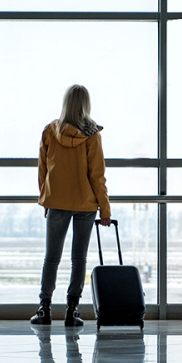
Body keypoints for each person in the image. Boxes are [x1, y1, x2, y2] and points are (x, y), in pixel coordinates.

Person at [32, 84, 111, 327]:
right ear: (86, 105)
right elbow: (97, 176)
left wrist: (46, 197)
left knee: (51, 258)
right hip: (85, 205)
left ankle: (44, 309)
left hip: (56, 202)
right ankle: (71, 310)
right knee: (79, 259)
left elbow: (43, 169)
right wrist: (105, 210)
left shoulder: (50, 131)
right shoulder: (92, 136)